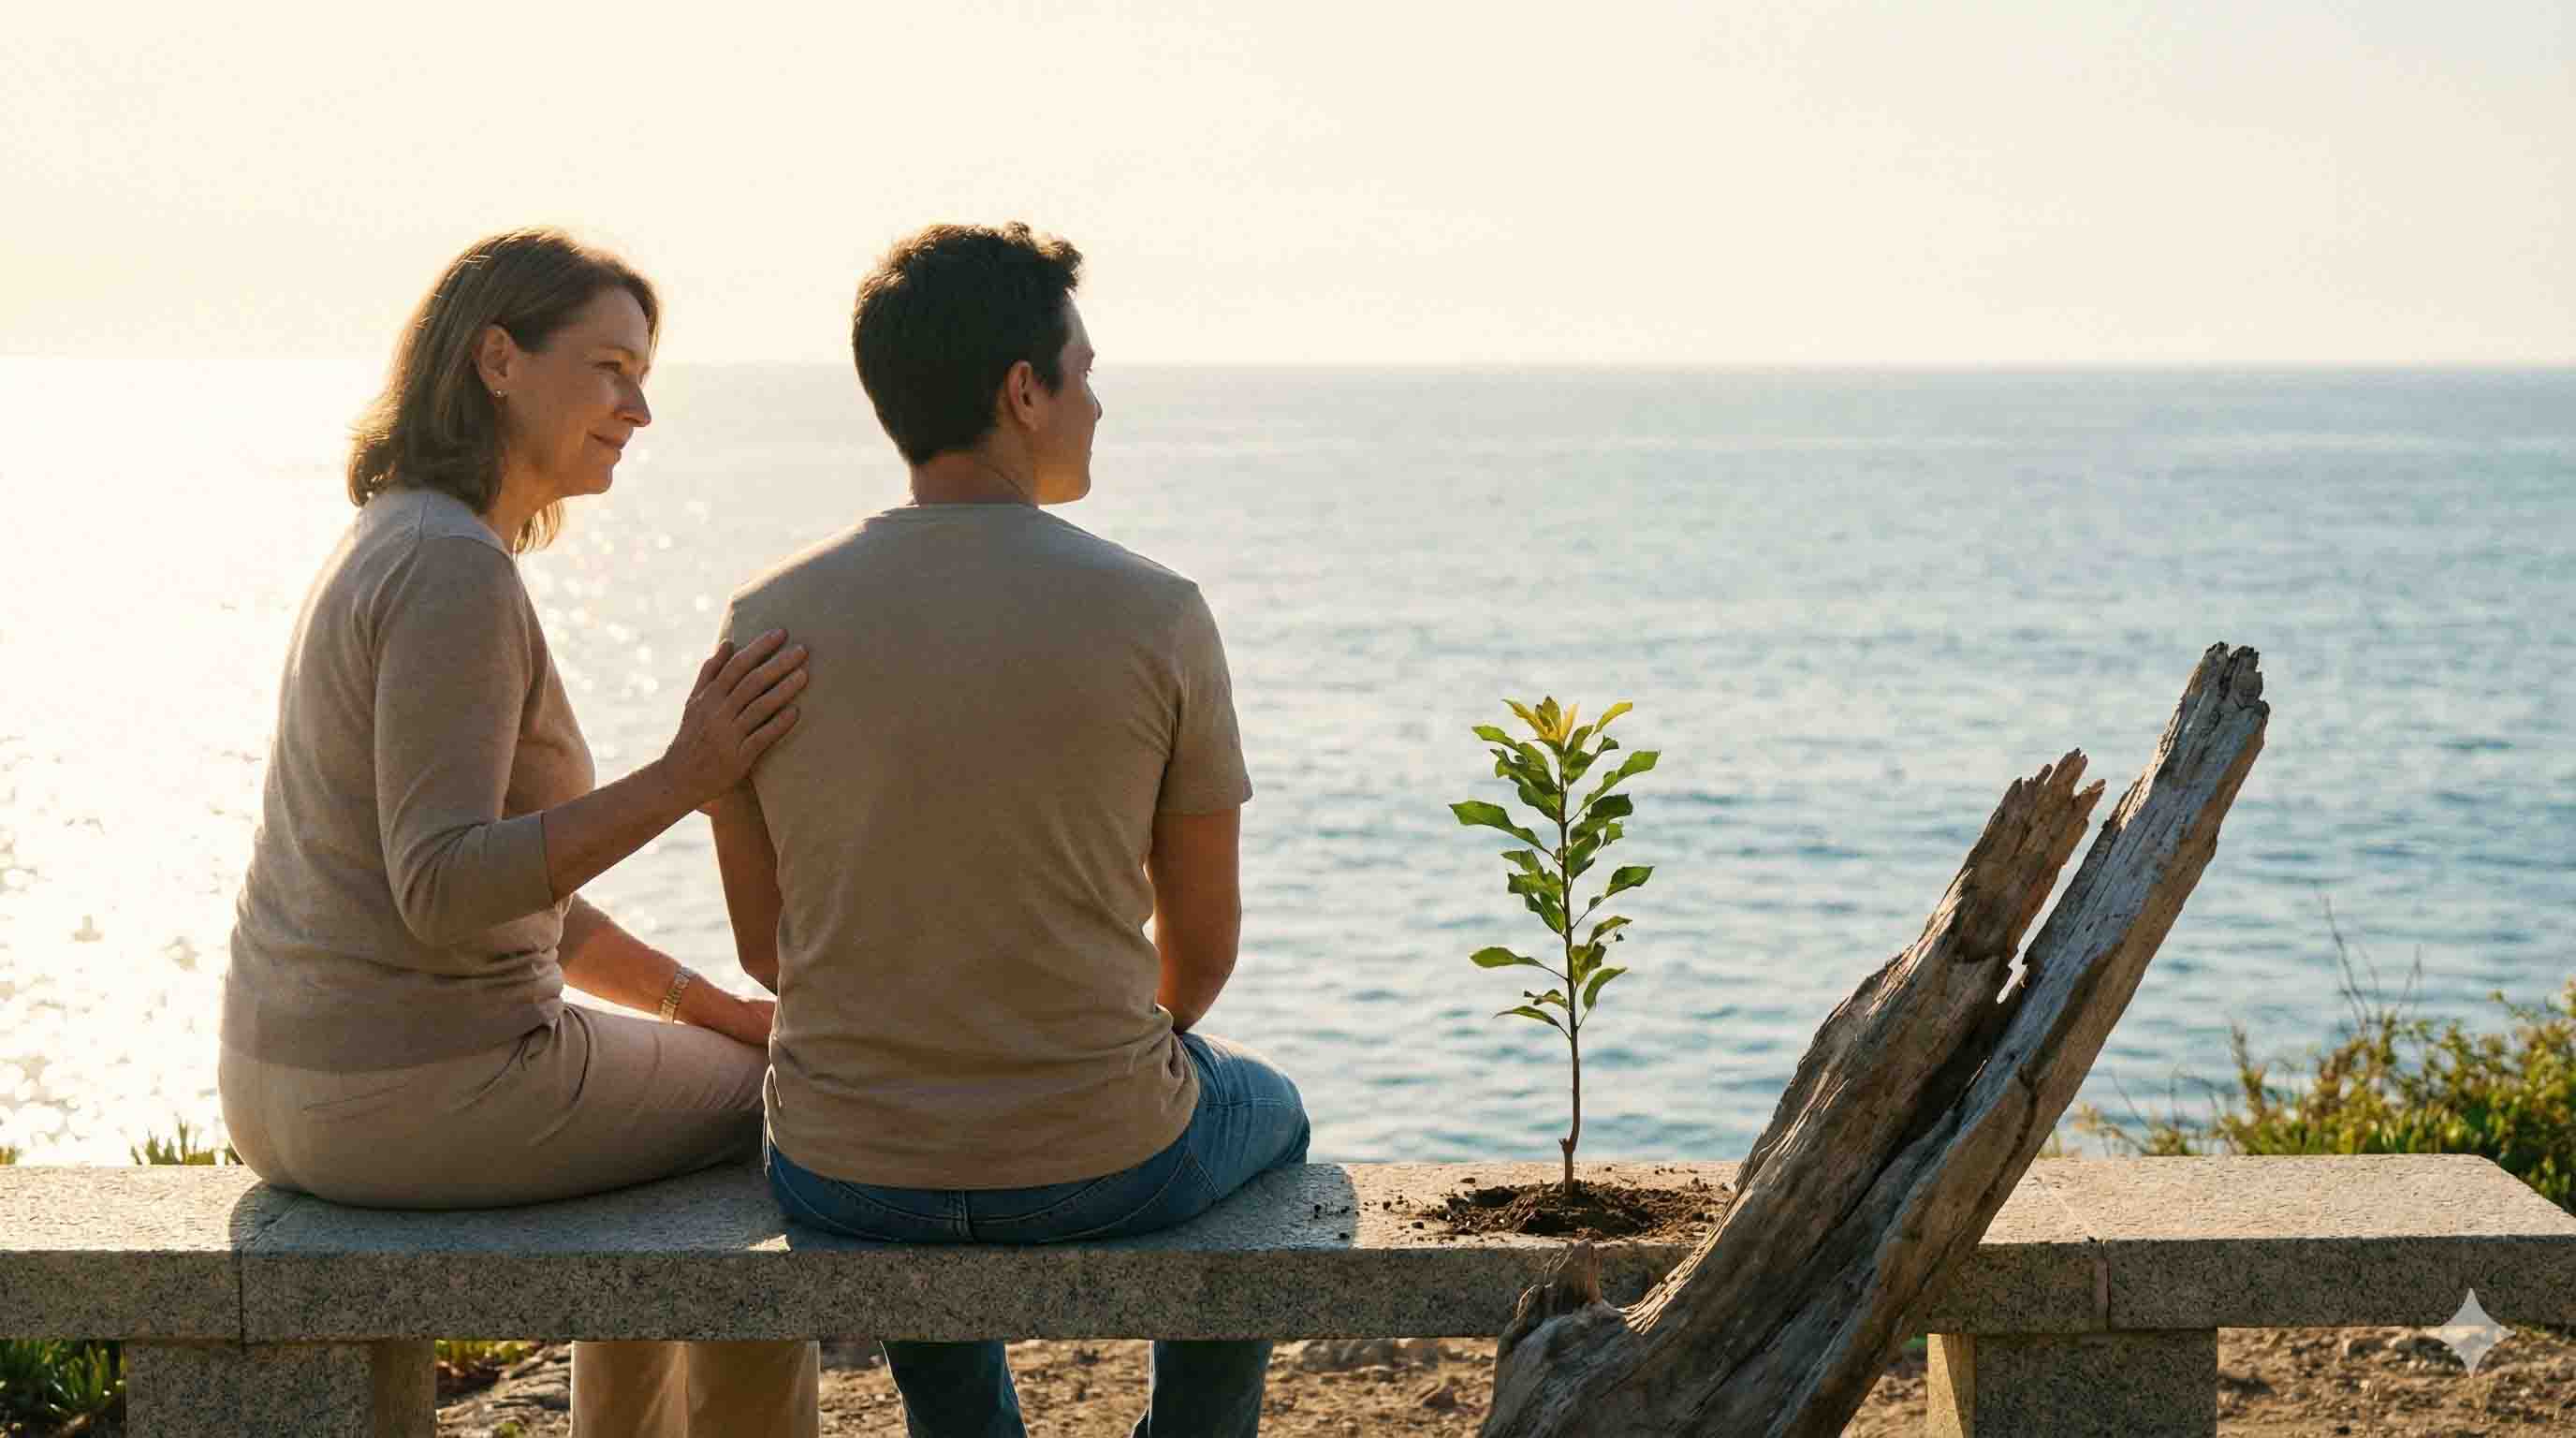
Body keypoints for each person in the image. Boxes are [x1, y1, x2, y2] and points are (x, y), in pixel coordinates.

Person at [217, 227, 820, 1437]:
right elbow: (443, 887)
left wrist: (699, 1003)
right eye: (610, 368)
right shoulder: (454, 573)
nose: (638, 409)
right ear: (499, 360)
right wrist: (691, 775)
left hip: (289, 1092)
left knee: (718, 1082)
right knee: (795, 1101)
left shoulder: (396, 539)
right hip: (413, 1097)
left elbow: (514, 887)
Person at [719, 222, 1309, 1438]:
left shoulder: (764, 619)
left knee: (918, 1148)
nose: (1098, 405)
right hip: (1102, 1156)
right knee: (1276, 1113)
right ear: (1021, 391)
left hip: (843, 1165)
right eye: (1082, 374)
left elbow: (771, 953)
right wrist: (1069, 1059)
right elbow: (1200, 959)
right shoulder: (1158, 614)